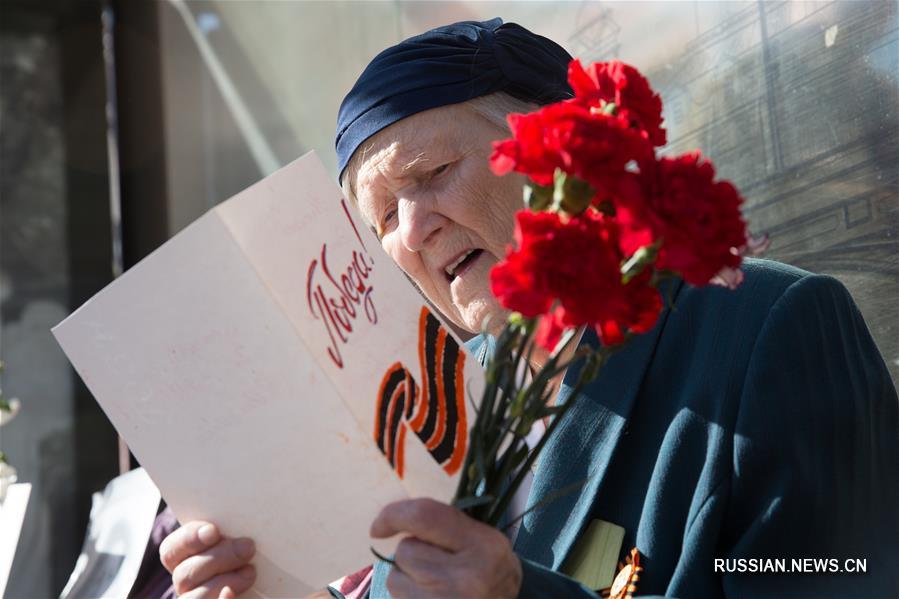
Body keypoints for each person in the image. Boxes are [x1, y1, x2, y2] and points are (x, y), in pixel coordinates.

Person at [158, 18, 899, 598]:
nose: (411, 230)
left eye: (433, 172)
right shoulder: (423, 403)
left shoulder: (771, 327)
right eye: (380, 218)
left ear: (564, 152)